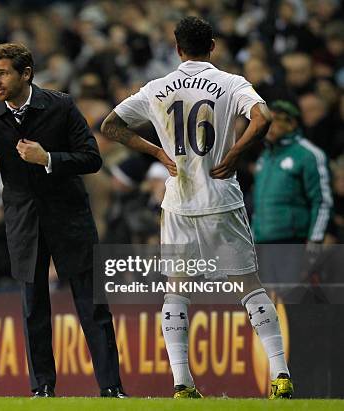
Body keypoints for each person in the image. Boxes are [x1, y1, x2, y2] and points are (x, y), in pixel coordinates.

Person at [101, 17, 293, 399]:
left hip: (178, 202)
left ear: (177, 49)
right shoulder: (230, 83)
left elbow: (111, 126)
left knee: (177, 290)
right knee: (249, 288)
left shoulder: (157, 88)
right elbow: (264, 117)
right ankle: (281, 376)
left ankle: (183, 384)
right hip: (221, 198)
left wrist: (157, 151)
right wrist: (237, 151)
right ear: (213, 46)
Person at [0, 43, 125, 398]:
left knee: (92, 305)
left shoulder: (61, 105)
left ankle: (111, 388)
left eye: (3, 73)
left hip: (69, 215)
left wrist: (48, 158)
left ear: (26, 74)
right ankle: (42, 389)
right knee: (33, 307)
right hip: (23, 220)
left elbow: (92, 158)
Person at [252, 100, 332, 285]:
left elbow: (322, 202)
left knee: (292, 303)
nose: (268, 126)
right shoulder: (265, 157)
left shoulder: (309, 154)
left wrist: (315, 240)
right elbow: (259, 203)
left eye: (276, 120)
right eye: (266, 121)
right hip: (263, 243)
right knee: (268, 306)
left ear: (292, 123)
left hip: (293, 243)